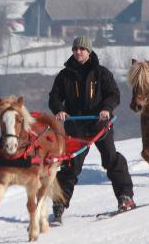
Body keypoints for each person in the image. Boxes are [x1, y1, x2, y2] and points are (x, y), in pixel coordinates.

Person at [48, 36, 135, 223]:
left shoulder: (101, 73)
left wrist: (106, 108)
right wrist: (60, 110)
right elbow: (54, 97)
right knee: (71, 166)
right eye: (75, 49)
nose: (78, 52)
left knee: (111, 159)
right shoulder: (64, 76)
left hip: (99, 125)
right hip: (76, 127)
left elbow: (114, 94)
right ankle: (59, 205)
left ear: (89, 51)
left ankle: (125, 197)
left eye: (82, 49)